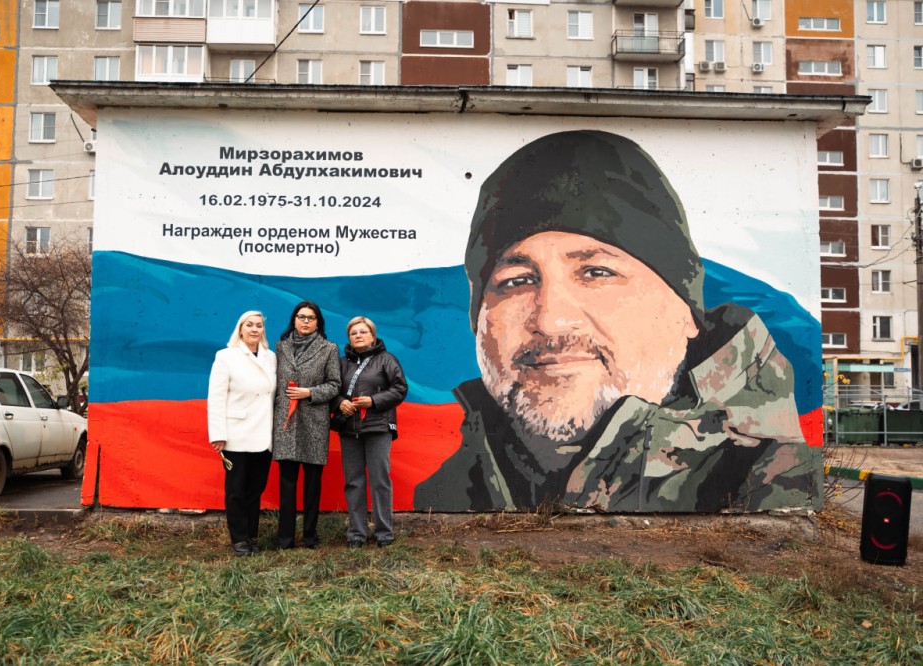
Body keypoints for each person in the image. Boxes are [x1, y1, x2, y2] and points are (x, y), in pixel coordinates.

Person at [414, 130, 822, 513]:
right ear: (480, 323)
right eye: (516, 281)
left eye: (597, 273)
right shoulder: (442, 495)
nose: (552, 321)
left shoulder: (772, 483)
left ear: (685, 313)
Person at [333, 316, 408, 548]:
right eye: (353, 333)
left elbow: (400, 388)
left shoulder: (386, 359)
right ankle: (357, 533)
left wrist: (373, 401)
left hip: (378, 427)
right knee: (353, 481)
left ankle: (384, 533)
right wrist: (338, 402)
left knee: (379, 480)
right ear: (349, 338)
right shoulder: (342, 363)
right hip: (349, 429)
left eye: (363, 332)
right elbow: (331, 388)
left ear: (373, 336)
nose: (358, 336)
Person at [207, 310, 276, 556]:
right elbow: (216, 397)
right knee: (236, 490)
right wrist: (217, 433)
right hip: (236, 434)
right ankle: (239, 539)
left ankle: (252, 536)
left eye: (259, 325)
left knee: (255, 489)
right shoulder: (226, 357)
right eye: (250, 325)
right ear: (241, 329)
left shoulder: (271, 357)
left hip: (264, 434)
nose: (255, 329)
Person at [273, 301, 340, 549]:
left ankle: (310, 535)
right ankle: (285, 538)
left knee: (312, 484)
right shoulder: (280, 348)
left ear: (318, 323)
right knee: (287, 483)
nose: (305, 321)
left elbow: (334, 384)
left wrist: (309, 392)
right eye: (301, 317)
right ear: (294, 320)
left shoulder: (328, 349)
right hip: (286, 424)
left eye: (311, 318)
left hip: (314, 423)